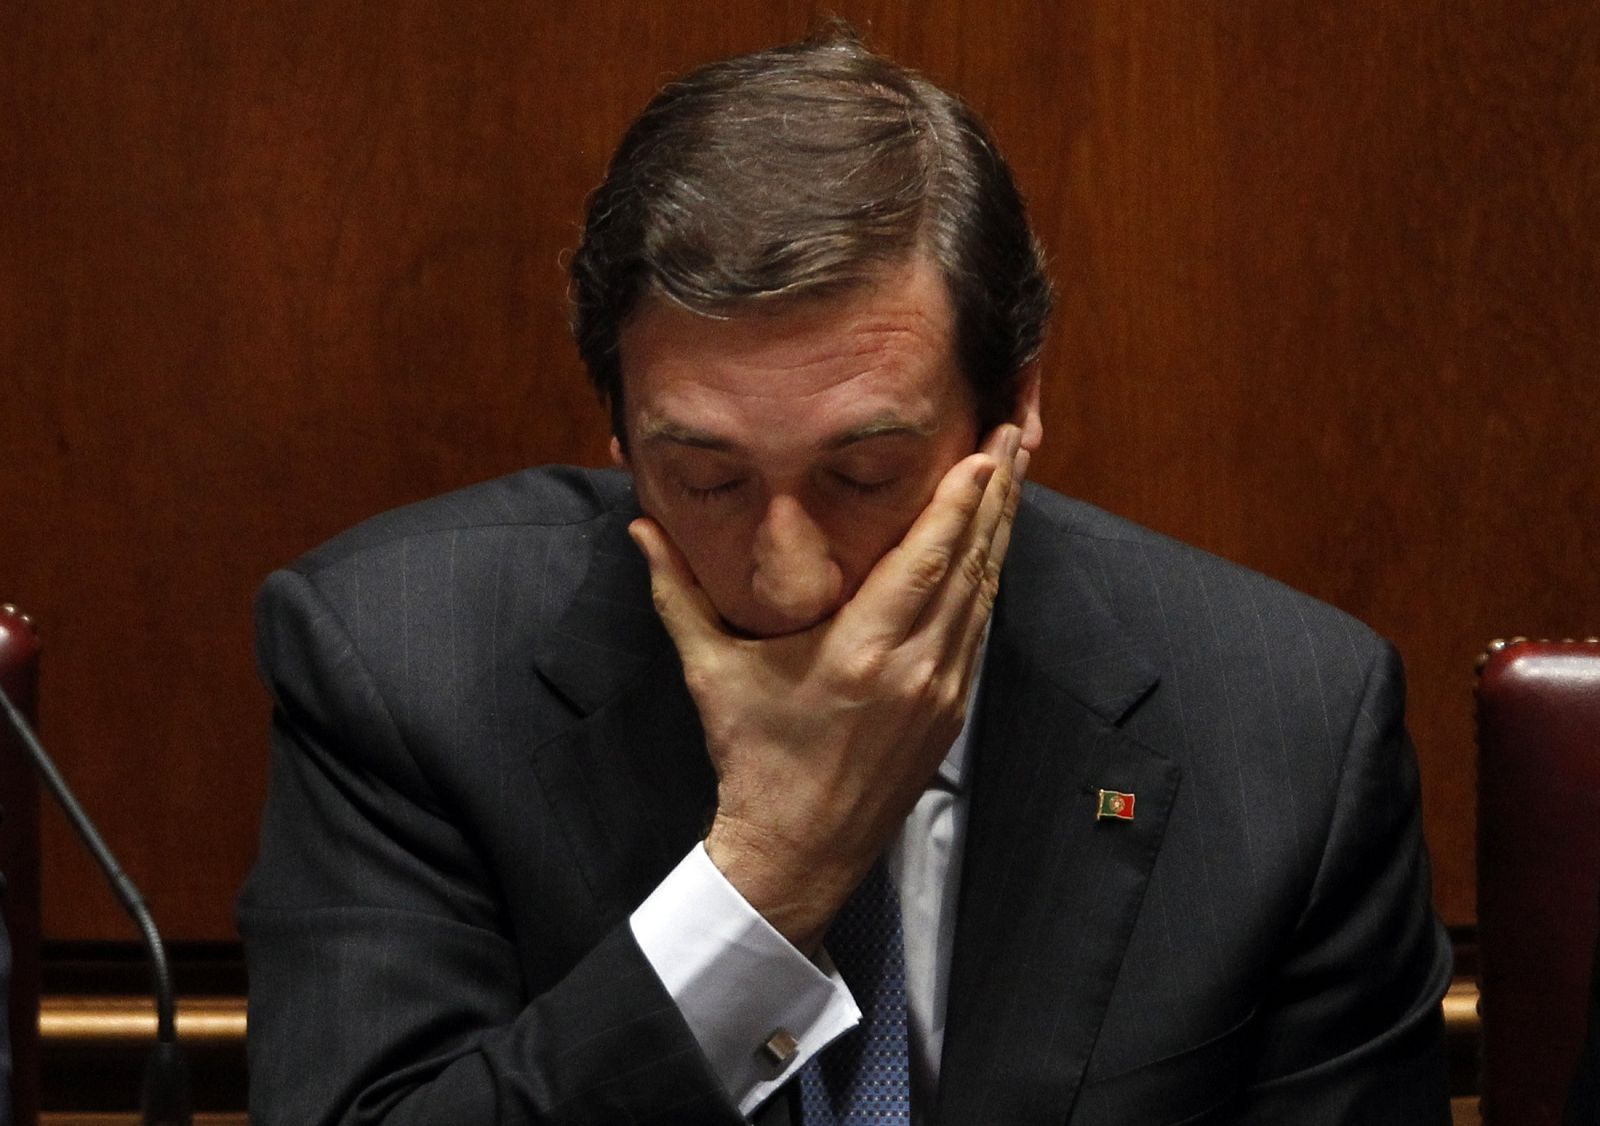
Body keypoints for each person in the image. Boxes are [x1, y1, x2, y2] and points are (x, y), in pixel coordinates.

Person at [239, 26, 1453, 1125]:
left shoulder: (1285, 730)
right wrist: (767, 878)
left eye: (865, 474)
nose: (787, 578)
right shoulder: (403, 665)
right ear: (617, 436)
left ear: (1015, 409)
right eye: (705, 480)